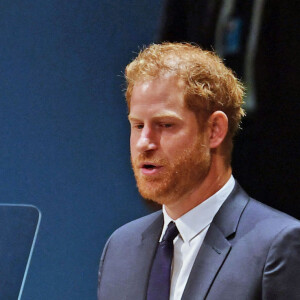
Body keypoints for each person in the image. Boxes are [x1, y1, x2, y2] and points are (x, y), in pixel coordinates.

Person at [97, 43, 300, 300]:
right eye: (137, 125)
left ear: (214, 130)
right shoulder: (120, 247)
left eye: (165, 124)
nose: (143, 143)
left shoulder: (277, 245)